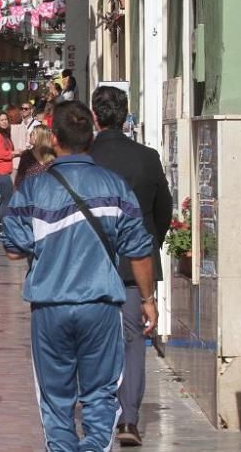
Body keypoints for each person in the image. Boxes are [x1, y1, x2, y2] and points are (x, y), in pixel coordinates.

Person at [0, 101, 157, 451]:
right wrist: (147, 300)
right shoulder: (115, 186)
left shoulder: (35, 187)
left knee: (56, 399)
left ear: (54, 139)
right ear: (92, 135)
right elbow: (139, 250)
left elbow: (12, 248)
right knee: (100, 394)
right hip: (101, 307)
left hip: (49, 308)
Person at [89, 85, 173, 447]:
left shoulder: (83, 157)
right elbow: (163, 209)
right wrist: (150, 244)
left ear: (95, 115)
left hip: (87, 265)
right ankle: (129, 421)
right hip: (133, 268)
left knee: (90, 342)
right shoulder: (147, 158)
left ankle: (96, 413)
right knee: (133, 342)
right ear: (125, 116)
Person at [0, 111, 18, 210]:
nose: (4, 122)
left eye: (6, 119)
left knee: (6, 200)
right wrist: (14, 153)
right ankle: (3, 223)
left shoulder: (4, 134)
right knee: (6, 201)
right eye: (1, 120)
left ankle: (4, 221)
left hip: (5, 173)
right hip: (1, 173)